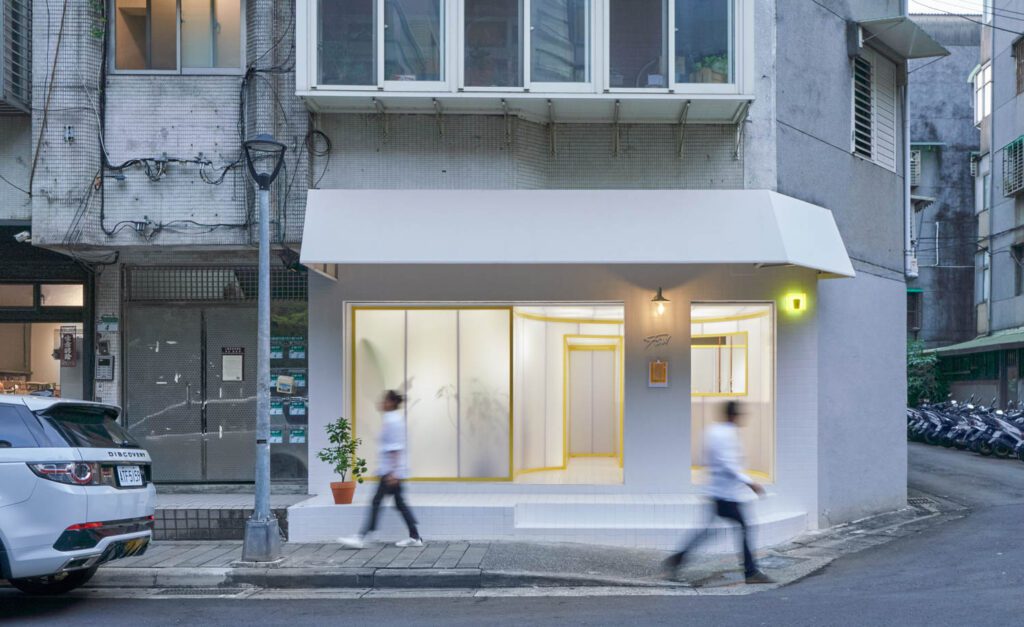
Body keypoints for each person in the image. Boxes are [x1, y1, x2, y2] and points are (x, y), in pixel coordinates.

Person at [664, 400, 774, 584]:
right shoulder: (728, 434)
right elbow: (729, 464)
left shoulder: (712, 431)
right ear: (734, 416)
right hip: (726, 495)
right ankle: (751, 572)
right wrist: (750, 483)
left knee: (709, 531)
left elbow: (706, 458)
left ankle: (677, 559)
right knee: (744, 527)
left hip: (717, 491)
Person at [339, 390, 423, 549]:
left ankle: (363, 535)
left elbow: (395, 448)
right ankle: (415, 536)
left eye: (384, 400)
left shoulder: (393, 421)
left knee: (377, 502)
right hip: (392, 471)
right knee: (399, 504)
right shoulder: (392, 419)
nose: (381, 403)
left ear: (391, 402)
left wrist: (393, 472)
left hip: (391, 472)